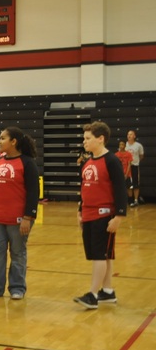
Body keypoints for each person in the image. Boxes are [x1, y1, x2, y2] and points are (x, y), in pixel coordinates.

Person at [0, 127, 39, 300]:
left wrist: (28, 217)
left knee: (18, 252)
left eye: (3, 138)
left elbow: (33, 193)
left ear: (13, 142)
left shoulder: (27, 163)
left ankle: (17, 287)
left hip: (19, 218)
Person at [74, 122, 128, 309]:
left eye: (88, 139)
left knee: (99, 255)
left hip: (104, 215)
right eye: (84, 139)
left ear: (100, 139)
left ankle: (93, 294)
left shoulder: (111, 161)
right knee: (103, 256)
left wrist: (119, 216)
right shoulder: (88, 162)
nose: (84, 142)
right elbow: (84, 189)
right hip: (88, 214)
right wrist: (80, 211)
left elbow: (120, 190)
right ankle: (107, 291)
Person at [125, 130, 144, 207]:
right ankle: (130, 199)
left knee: (136, 183)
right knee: (128, 184)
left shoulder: (138, 145)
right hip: (126, 168)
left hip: (135, 166)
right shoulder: (125, 145)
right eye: (128, 134)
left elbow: (141, 156)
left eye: (131, 134)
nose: (129, 136)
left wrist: (135, 161)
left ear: (134, 136)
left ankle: (136, 200)